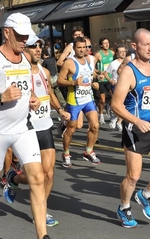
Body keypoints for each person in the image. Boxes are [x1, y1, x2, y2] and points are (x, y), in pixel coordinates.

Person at [0, 12, 67, 239]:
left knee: (38, 179)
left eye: (28, 36)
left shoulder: (25, 57)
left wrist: (30, 99)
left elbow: (24, 89)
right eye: (21, 36)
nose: (26, 41)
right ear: (7, 32)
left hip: (24, 128)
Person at [2, 35, 71, 227]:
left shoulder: (45, 72)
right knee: (37, 175)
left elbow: (48, 93)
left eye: (40, 46)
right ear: (25, 49)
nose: (38, 49)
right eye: (33, 46)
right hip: (26, 127)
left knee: (49, 174)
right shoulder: (17, 73)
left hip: (45, 125)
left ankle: (42, 211)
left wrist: (60, 110)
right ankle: (14, 177)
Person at [111, 28, 150, 228]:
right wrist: (137, 121)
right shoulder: (129, 71)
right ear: (134, 46)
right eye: (145, 44)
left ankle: (146, 194)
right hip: (136, 129)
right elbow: (115, 105)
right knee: (133, 176)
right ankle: (124, 207)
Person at [57, 36, 100, 167]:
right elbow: (59, 80)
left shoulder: (88, 60)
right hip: (74, 100)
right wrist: (73, 82)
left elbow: (90, 76)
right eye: (79, 48)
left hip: (88, 99)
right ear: (74, 48)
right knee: (71, 129)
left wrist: (96, 81)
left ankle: (88, 151)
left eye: (84, 47)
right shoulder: (69, 62)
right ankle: (66, 153)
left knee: (95, 126)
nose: (82, 50)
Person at [103, 44, 126, 131]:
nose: (123, 53)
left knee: (124, 105)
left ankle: (118, 121)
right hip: (116, 86)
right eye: (121, 52)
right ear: (117, 53)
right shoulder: (113, 63)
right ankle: (115, 118)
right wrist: (110, 80)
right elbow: (105, 73)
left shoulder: (128, 62)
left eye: (124, 51)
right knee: (120, 104)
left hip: (126, 86)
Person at [95, 37, 114, 125]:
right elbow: (92, 67)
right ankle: (101, 114)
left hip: (110, 79)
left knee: (114, 98)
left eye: (108, 42)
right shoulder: (98, 55)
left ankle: (108, 106)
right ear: (101, 45)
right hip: (102, 80)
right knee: (102, 100)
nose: (107, 44)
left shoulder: (112, 53)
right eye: (105, 43)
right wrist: (99, 73)